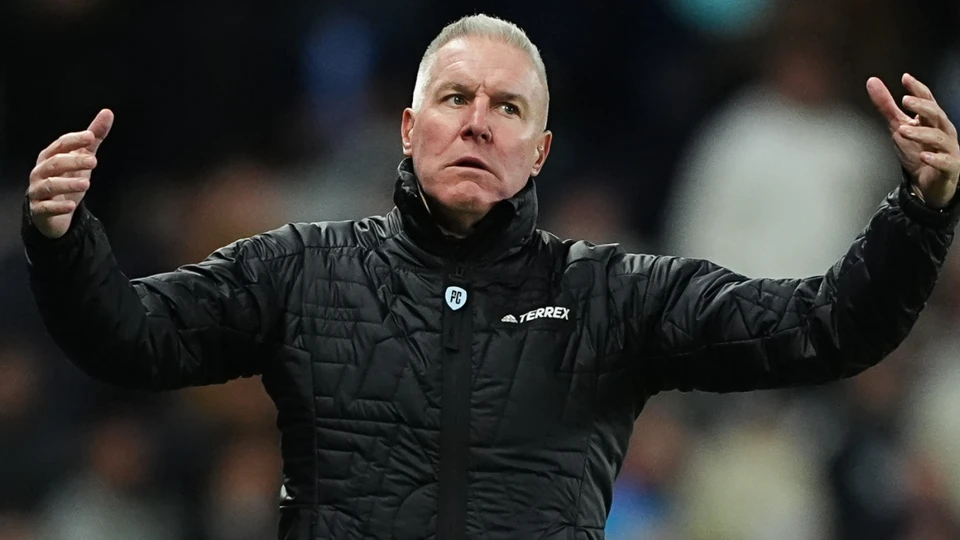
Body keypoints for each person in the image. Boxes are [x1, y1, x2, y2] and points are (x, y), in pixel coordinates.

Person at [20, 13, 960, 540]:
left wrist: (919, 213)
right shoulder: (302, 268)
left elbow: (823, 328)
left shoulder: (609, 295)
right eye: (455, 98)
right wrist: (64, 241)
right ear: (408, 129)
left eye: (507, 107)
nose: (477, 121)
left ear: (540, 150)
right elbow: (129, 337)